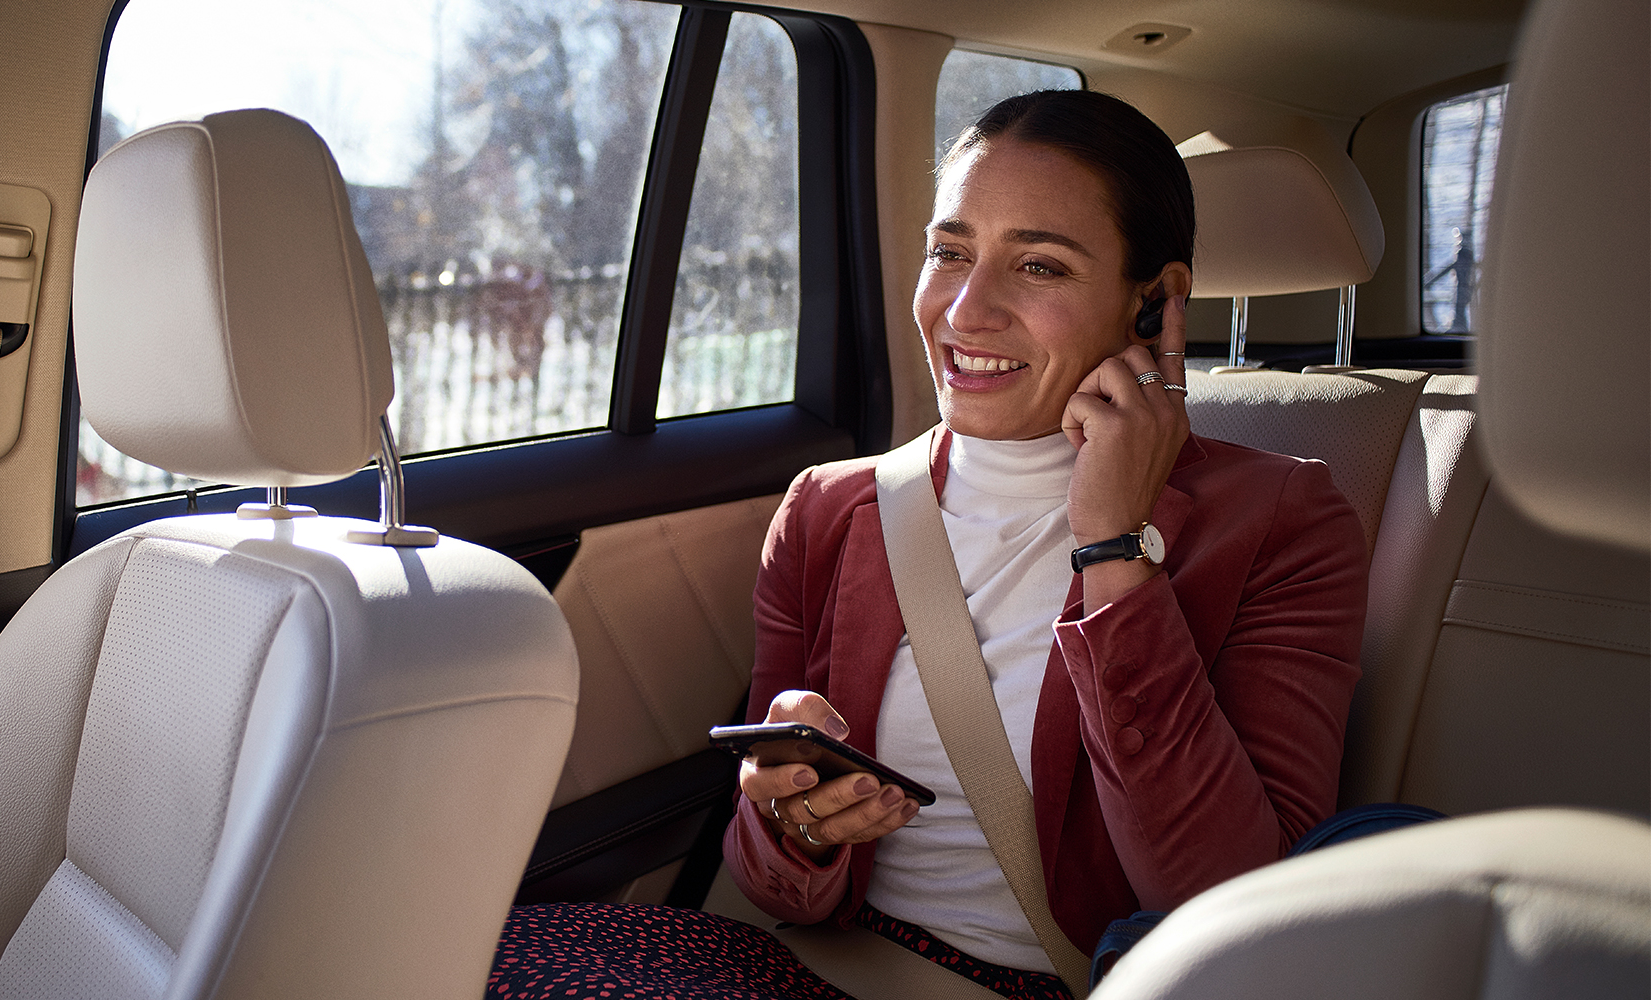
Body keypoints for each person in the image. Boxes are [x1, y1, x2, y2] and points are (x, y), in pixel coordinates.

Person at [487, 89, 1365, 1000]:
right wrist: (802, 825)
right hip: (822, 963)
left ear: (1156, 302)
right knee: (467, 950)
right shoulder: (828, 508)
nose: (965, 310)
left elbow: (1227, 902)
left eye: (1039, 266)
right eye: (949, 253)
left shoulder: (1281, 520)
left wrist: (1113, 548)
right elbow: (766, 882)